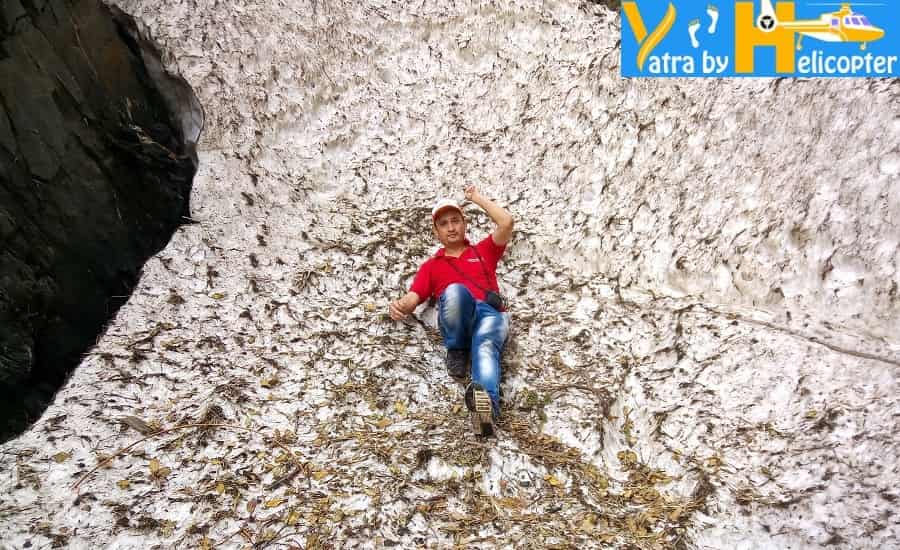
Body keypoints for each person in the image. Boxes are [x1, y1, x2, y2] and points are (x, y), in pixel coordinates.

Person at [389, 185, 514, 436]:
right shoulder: (431, 267)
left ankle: (487, 411)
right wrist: (402, 304)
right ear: (436, 231)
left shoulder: (483, 252)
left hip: (489, 315)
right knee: (456, 291)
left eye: (455, 221)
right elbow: (415, 296)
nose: (451, 227)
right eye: (444, 224)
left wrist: (476, 198)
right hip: (458, 315)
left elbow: (506, 222)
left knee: (486, 347)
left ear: (464, 224)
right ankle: (456, 348)